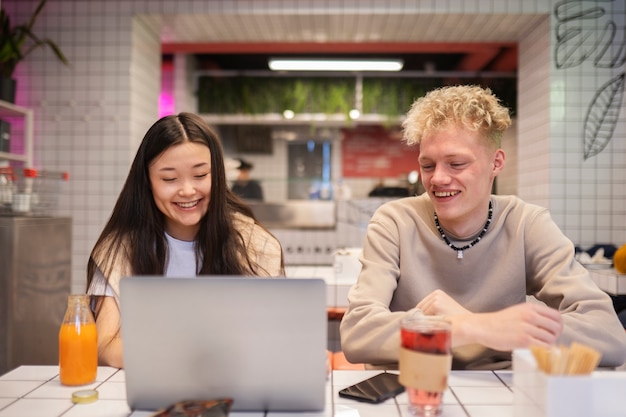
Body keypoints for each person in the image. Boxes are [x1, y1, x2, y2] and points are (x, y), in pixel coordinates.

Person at [340, 85, 626, 370]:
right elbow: (358, 334)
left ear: (496, 163)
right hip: (409, 392)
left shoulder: (527, 224)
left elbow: (610, 336)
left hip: (502, 395)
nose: (438, 179)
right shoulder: (395, 222)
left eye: (456, 164)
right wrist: (469, 328)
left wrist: (477, 326)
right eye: (428, 166)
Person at [86, 113, 284, 368]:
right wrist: (191, 357)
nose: (188, 190)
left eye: (200, 175)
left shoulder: (255, 244)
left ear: (218, 176)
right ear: (147, 182)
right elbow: (107, 346)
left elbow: (274, 336)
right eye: (169, 179)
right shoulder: (120, 249)